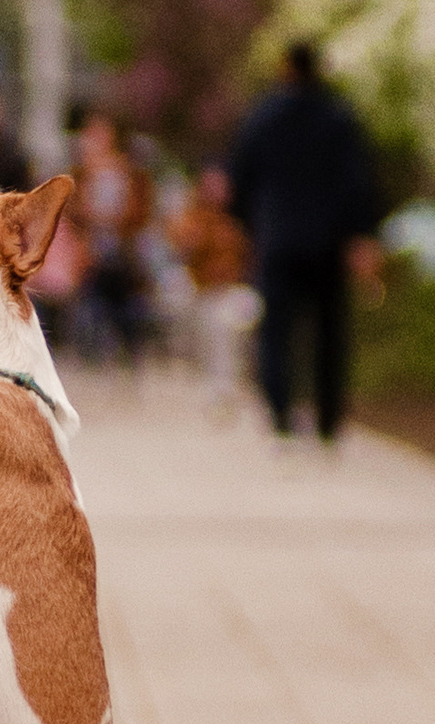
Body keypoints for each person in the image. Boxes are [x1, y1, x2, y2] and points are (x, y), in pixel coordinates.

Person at [224, 40, 384, 443]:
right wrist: (360, 233)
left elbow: (239, 179)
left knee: (276, 331)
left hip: (277, 239)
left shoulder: (263, 118)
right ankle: (329, 420)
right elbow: (356, 183)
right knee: (329, 332)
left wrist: (250, 224)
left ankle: (280, 416)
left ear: (285, 68)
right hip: (328, 242)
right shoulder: (338, 118)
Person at [166, 164, 259, 415]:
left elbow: (246, 265)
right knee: (208, 314)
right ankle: (212, 383)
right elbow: (181, 254)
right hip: (202, 293)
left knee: (232, 317)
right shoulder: (192, 219)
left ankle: (230, 386)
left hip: (234, 292)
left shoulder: (239, 223)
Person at [71, 108, 153, 365]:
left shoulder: (129, 173)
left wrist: (109, 218)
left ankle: (129, 346)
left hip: (121, 250)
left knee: (124, 296)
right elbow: (73, 213)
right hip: (90, 250)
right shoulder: (80, 173)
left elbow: (139, 213)